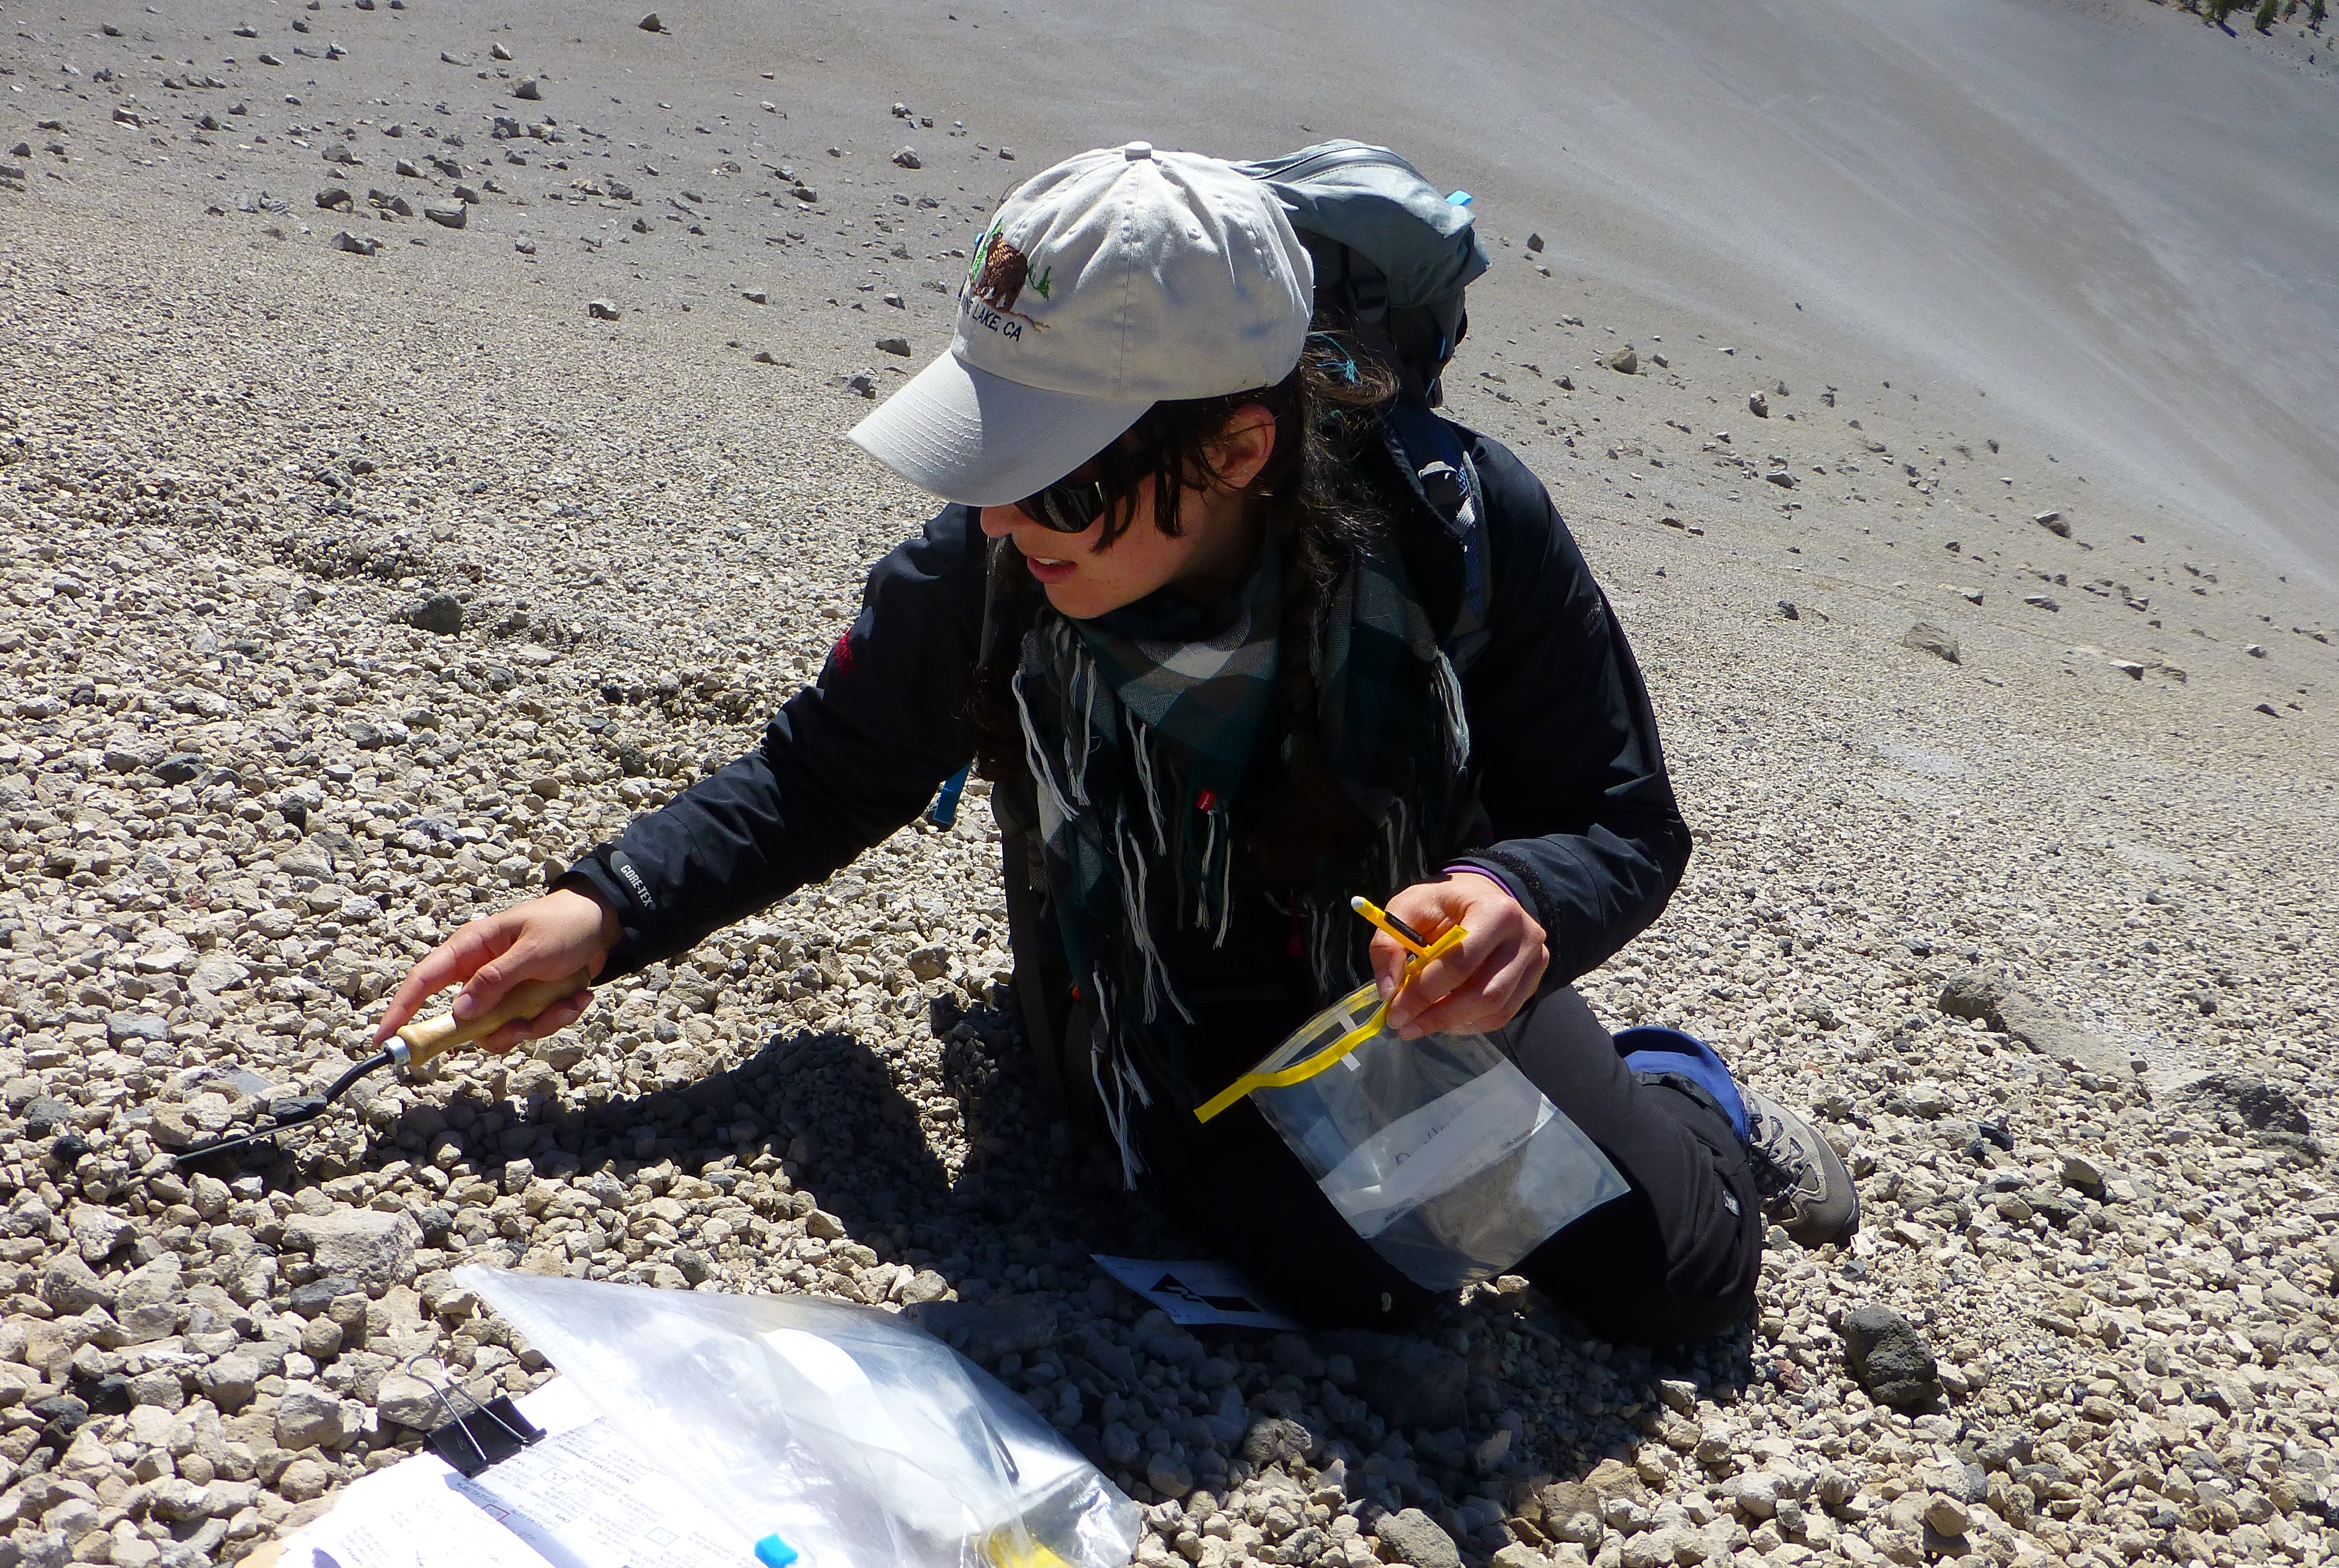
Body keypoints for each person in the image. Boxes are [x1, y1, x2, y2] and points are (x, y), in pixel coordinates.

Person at [374, 141, 1857, 1341]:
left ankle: (1688, 1090)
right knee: (1376, 1289)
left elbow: (1618, 815)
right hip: (1145, 1025)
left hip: (1419, 997)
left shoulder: (1460, 527)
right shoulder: (988, 571)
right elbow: (824, 774)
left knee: (1670, 1283)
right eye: (988, 455)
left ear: (1233, 449)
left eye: (1053, 476)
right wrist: (606, 908)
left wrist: (1514, 907)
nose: (1006, 518)